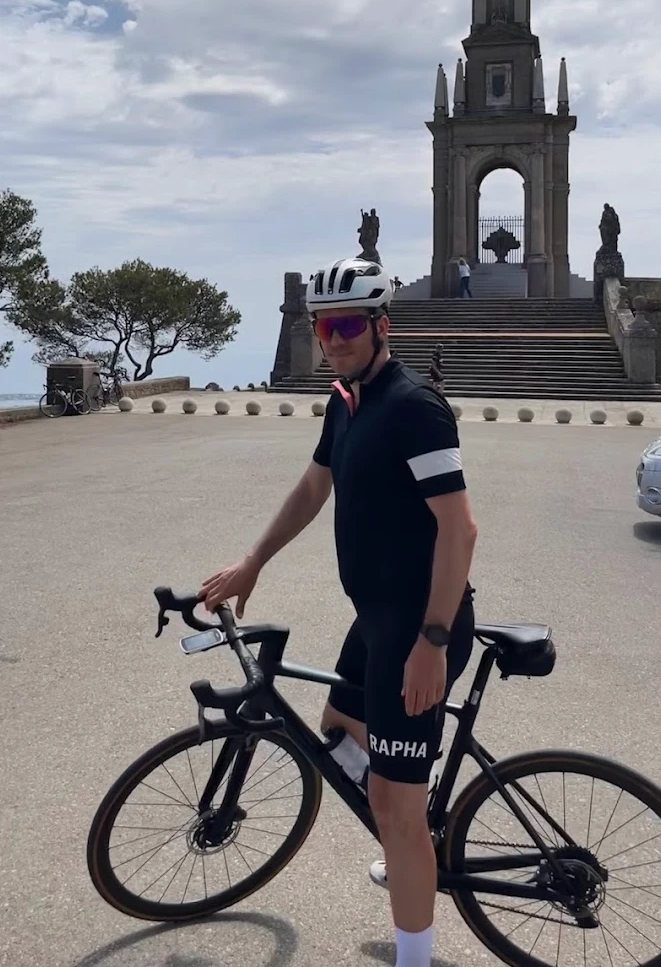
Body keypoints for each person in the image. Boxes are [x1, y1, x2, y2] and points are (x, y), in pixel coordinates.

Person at [200, 258, 478, 967]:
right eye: (325, 326)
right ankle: (411, 835)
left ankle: (412, 892)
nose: (335, 337)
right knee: (337, 726)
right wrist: (253, 561)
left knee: (395, 809)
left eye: (349, 324)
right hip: (376, 622)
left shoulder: (413, 407)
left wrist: (434, 643)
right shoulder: (346, 402)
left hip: (420, 628)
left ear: (382, 326)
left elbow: (460, 530)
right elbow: (314, 485)